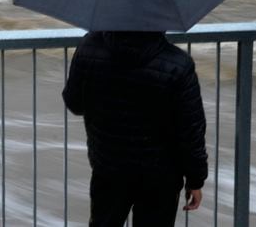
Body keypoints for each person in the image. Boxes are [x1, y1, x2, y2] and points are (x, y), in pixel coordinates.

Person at [63, 30, 208, 227]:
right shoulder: (178, 64)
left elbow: (74, 103)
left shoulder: (89, 47)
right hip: (160, 176)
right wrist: (195, 179)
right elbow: (191, 131)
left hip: (108, 167)